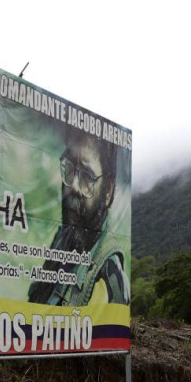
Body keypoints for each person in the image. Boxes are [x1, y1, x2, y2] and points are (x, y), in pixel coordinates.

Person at [28, 129, 129, 306]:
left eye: (87, 177)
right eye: (69, 168)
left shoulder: (107, 276)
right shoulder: (64, 239)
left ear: (108, 190)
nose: (73, 185)